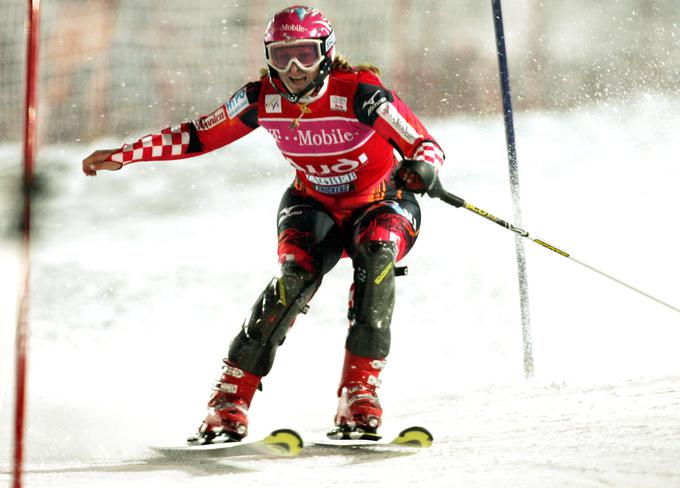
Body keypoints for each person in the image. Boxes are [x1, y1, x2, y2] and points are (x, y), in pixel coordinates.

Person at [82, 5, 445, 443]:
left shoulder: (360, 93)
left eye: (306, 55)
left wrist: (421, 169)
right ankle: (228, 402)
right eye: (282, 55)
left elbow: (424, 143)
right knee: (293, 283)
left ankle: (358, 395)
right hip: (313, 202)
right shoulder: (261, 98)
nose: (293, 68)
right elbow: (197, 134)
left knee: (377, 259)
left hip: (383, 200)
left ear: (326, 53)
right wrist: (127, 153)